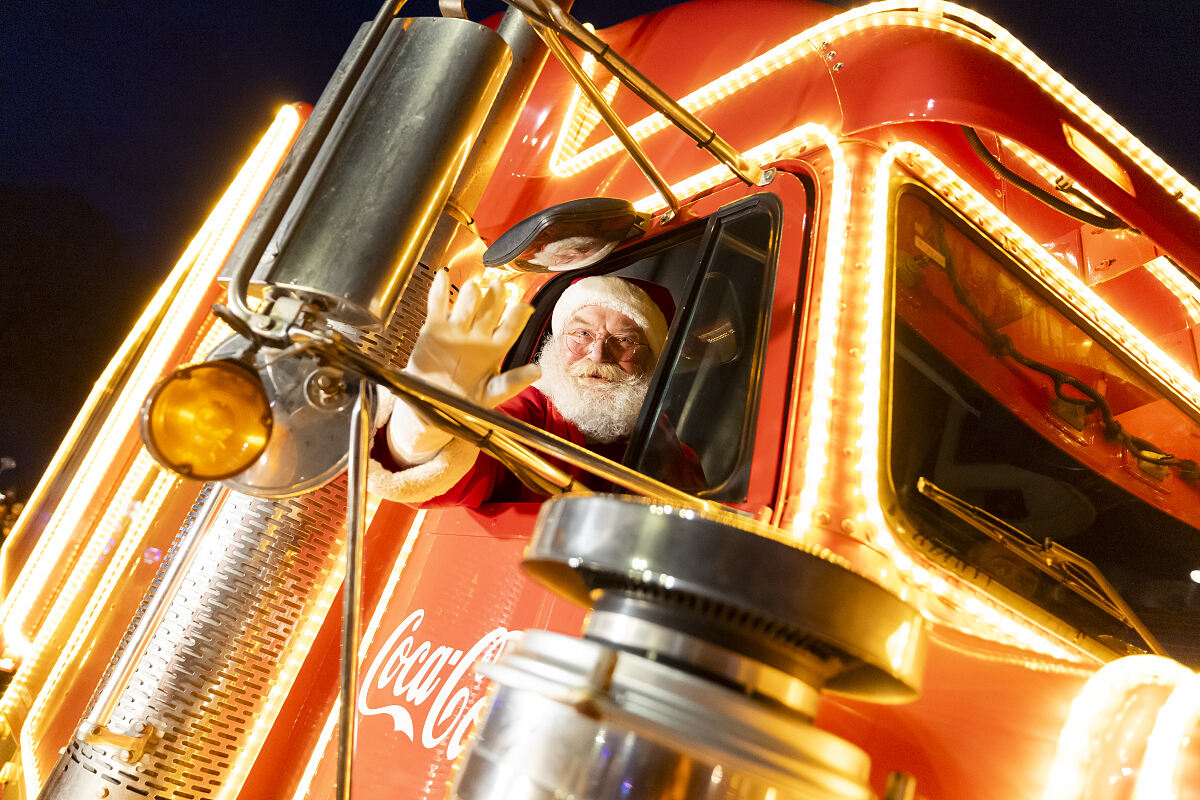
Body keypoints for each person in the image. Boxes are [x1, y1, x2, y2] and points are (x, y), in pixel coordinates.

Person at [368, 271, 692, 507]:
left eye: (623, 340)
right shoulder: (528, 414)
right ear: (557, 343)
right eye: (581, 334)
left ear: (652, 360)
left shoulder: (675, 452)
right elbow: (462, 469)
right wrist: (426, 417)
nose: (596, 354)